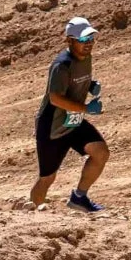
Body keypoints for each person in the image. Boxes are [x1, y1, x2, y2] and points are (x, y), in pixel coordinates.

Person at [30, 17, 110, 213]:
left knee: (100, 152)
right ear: (69, 41)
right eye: (83, 40)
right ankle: (31, 213)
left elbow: (76, 81)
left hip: (73, 121)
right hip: (53, 125)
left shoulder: (85, 57)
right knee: (48, 177)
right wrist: (86, 108)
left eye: (91, 39)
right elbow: (55, 98)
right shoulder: (61, 65)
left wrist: (90, 85)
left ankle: (79, 198)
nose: (88, 44)